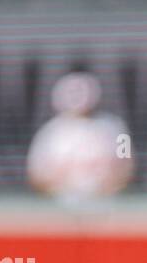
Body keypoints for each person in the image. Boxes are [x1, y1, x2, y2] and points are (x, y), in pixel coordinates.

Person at [26, 72, 133, 202]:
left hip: (108, 203)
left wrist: (107, 185)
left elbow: (128, 164)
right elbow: (36, 173)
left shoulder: (117, 129)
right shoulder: (48, 132)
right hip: (61, 204)